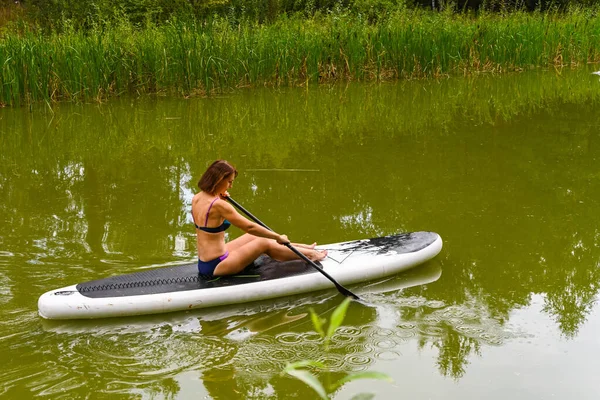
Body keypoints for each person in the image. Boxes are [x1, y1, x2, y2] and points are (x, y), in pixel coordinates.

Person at [192, 160, 327, 278]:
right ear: (219, 180)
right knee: (263, 241)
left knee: (252, 237)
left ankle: (303, 248)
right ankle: (311, 255)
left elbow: (209, 219)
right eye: (229, 182)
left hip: (206, 262)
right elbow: (249, 226)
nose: (231, 186)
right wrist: (277, 236)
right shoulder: (219, 205)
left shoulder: (197, 198)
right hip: (217, 265)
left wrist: (219, 195)